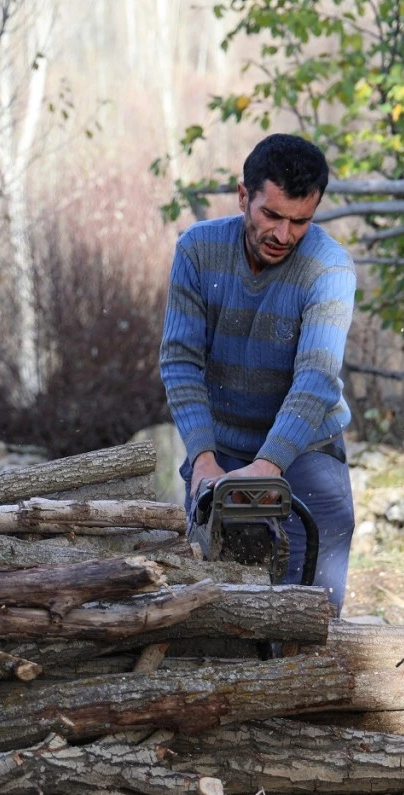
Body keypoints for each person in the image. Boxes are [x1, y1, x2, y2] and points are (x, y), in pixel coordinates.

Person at [160, 133, 357, 615]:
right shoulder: (198, 251)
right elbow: (181, 360)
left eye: (300, 221)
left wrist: (269, 467)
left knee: (313, 604)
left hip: (305, 446)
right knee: (216, 593)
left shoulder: (329, 268)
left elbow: (316, 378)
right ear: (244, 196)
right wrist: (203, 460)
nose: (284, 235)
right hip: (222, 445)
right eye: (272, 216)